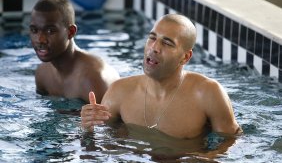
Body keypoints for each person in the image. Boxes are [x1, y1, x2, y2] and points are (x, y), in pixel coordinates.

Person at [81, 14, 242, 139]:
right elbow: (101, 145)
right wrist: (87, 129)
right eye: (152, 38)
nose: (154, 48)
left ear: (185, 57)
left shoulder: (208, 94)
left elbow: (229, 144)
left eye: (167, 43)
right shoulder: (119, 92)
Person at [29, 0, 120, 103]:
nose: (40, 40)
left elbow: (114, 119)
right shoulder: (42, 74)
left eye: (50, 31)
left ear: (71, 32)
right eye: (34, 30)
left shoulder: (92, 79)